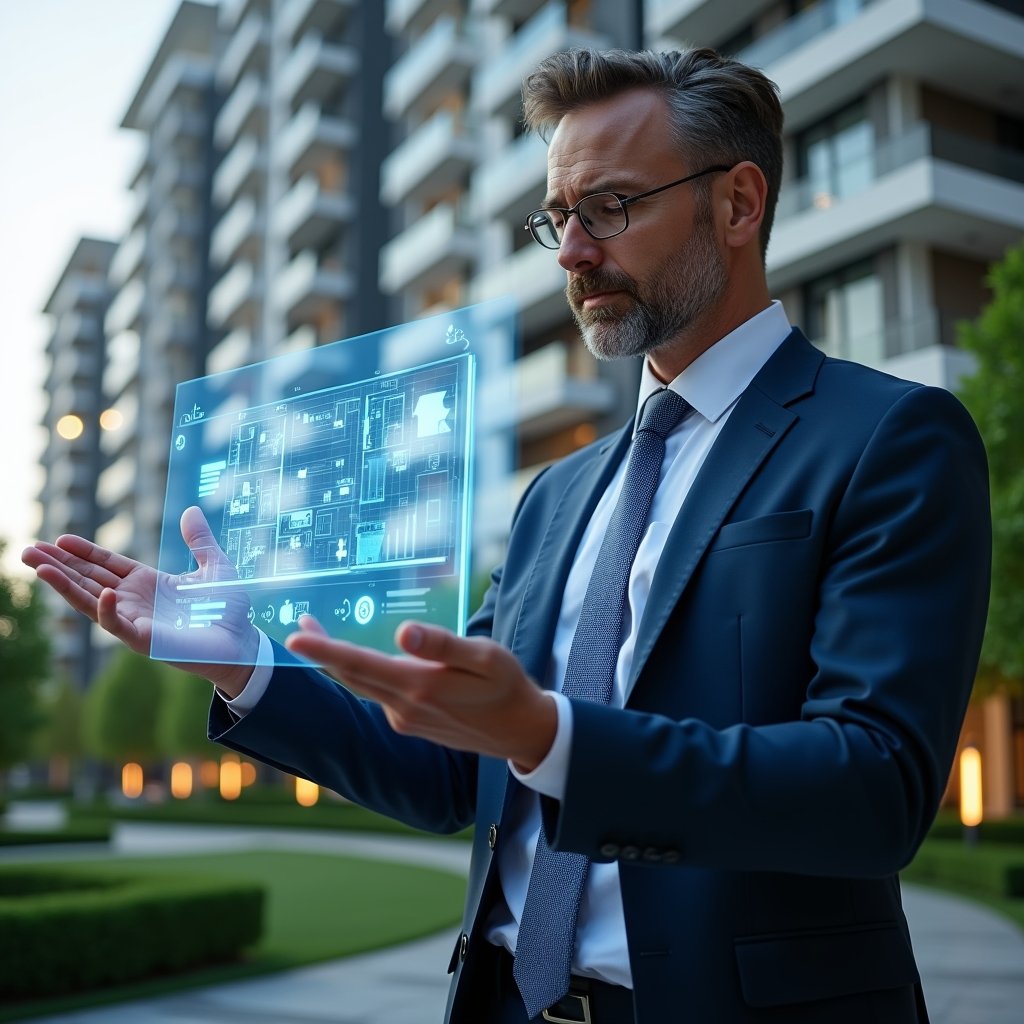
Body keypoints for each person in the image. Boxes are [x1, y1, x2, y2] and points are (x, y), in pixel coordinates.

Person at [24, 48, 991, 1024]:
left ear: (738, 204)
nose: (571, 252)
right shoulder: (557, 496)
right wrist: (245, 664)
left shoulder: (887, 438)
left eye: (609, 207)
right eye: (557, 217)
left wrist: (551, 737)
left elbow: (874, 786)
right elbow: (453, 773)